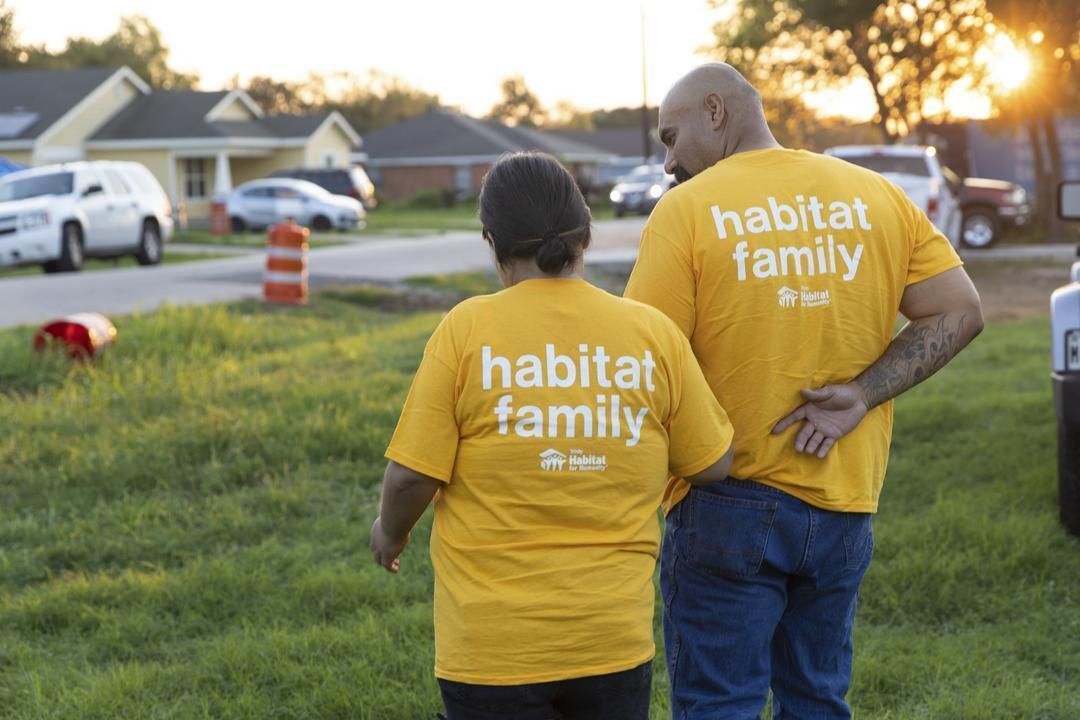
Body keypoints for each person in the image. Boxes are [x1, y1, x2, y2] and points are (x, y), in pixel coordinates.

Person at [624, 64, 984, 719]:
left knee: (717, 706)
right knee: (817, 701)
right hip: (845, 500)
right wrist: (863, 393)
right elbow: (959, 311)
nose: (670, 161)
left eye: (671, 138)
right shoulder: (873, 195)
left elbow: (645, 368)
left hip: (724, 502)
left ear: (716, 110)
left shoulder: (685, 212)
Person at [369, 151, 736, 720]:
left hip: (492, 649)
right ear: (584, 234)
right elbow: (712, 462)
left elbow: (414, 474)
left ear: (493, 241)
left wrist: (389, 535)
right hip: (612, 642)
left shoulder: (467, 330)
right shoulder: (650, 334)